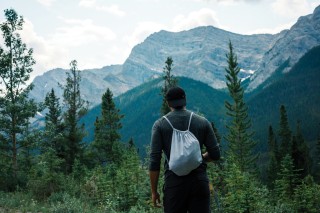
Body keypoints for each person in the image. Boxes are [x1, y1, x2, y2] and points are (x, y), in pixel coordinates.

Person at [149, 86, 221, 213]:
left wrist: (154, 192)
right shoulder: (202, 122)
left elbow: (154, 161)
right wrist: (201, 157)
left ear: (168, 103)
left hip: (174, 185)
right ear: (185, 100)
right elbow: (215, 154)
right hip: (199, 182)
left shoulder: (160, 125)